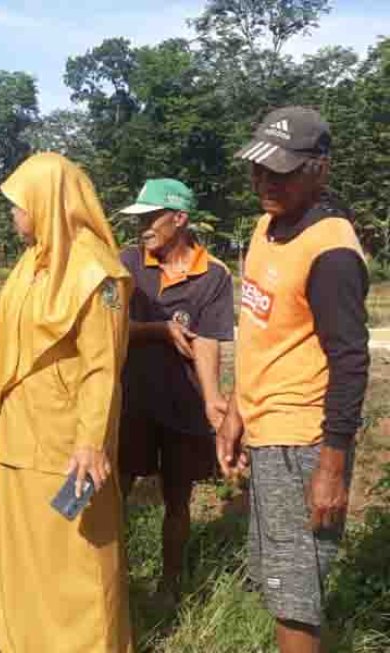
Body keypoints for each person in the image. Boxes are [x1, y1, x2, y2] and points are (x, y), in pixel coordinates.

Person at [0, 152, 133, 652]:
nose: (14, 213)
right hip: (21, 434)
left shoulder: (98, 274)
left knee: (75, 555)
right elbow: (13, 339)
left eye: (19, 203)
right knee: (23, 548)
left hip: (67, 443)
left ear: (47, 200)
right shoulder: (32, 263)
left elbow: (104, 369)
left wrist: (91, 442)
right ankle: (21, 637)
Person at [218, 106, 368, 653]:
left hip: (302, 442)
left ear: (319, 169)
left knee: (295, 599)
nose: (265, 181)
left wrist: (331, 467)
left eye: (281, 172)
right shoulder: (266, 226)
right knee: (278, 580)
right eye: (259, 169)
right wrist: (236, 411)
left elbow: (351, 363)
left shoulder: (331, 252)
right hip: (266, 431)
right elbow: (260, 332)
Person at [117, 178, 235, 602]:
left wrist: (213, 401)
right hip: (133, 399)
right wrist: (158, 330)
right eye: (140, 220)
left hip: (183, 405)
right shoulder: (125, 263)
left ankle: (169, 583)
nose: (143, 227)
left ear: (179, 218)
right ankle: (107, 579)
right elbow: (108, 330)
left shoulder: (214, 276)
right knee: (116, 491)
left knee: (178, 498)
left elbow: (208, 340)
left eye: (151, 218)